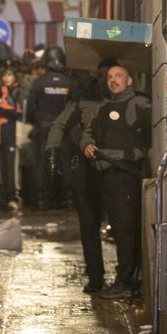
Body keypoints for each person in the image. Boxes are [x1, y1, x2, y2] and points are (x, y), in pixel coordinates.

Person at [81, 64, 151, 299]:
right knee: (119, 230)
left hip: (126, 175)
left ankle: (126, 280)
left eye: (119, 75)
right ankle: (125, 278)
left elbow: (146, 134)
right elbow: (88, 133)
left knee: (126, 229)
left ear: (129, 80)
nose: (114, 80)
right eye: (110, 77)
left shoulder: (140, 104)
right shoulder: (103, 108)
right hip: (107, 176)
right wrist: (87, 145)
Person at [47, 58, 116, 293]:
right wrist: (53, 151)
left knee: (120, 225)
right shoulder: (82, 97)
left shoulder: (124, 98)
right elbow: (60, 125)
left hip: (112, 169)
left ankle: (123, 278)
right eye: (103, 76)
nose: (107, 80)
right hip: (85, 170)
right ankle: (96, 276)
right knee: (89, 223)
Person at [25, 45, 75, 208]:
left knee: (41, 163)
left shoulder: (39, 83)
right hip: (64, 128)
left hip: (44, 126)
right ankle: (67, 198)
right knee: (65, 162)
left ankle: (41, 199)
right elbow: (75, 107)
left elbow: (31, 107)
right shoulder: (70, 83)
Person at [0, 68, 23, 211]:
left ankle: (13, 196)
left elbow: (18, 112)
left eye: (10, 74)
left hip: (11, 133)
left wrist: (2, 108)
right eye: (4, 74)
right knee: (1, 166)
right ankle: (2, 195)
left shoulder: (17, 92)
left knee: (11, 166)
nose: (6, 78)